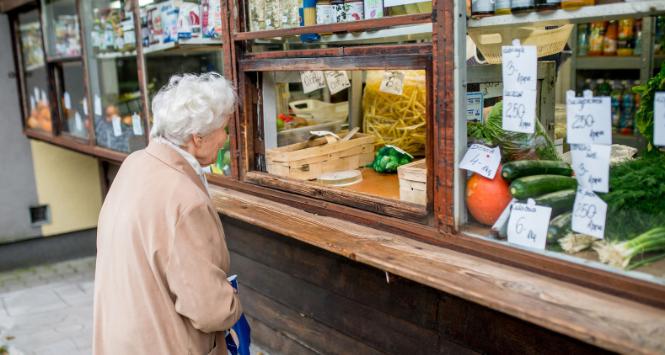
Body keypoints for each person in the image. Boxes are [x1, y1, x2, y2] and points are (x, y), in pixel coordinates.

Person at [93, 73, 242, 355]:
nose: (226, 138)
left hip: (124, 338)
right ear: (197, 138)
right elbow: (209, 309)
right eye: (224, 128)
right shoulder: (186, 200)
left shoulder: (135, 164)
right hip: (165, 343)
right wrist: (232, 303)